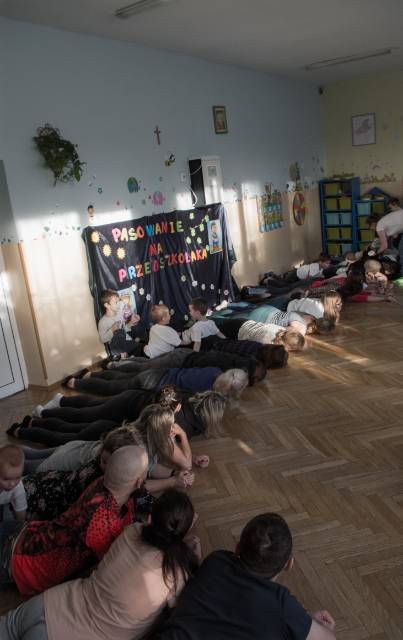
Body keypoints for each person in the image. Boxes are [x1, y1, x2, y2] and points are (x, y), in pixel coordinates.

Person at [0, 489, 200, 640]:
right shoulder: (177, 573)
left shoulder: (133, 531)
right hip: (75, 635)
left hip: (53, 603)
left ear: (150, 517)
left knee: (7, 627)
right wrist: (192, 558)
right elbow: (179, 610)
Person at [154, 512, 336, 640]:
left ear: (237, 548)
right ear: (289, 564)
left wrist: (301, 621)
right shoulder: (283, 605)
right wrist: (305, 622)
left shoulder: (217, 560)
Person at [0, 446, 148, 595]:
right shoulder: (103, 524)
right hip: (18, 563)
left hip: (26, 534)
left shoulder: (103, 483)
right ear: (139, 481)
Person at [9, 387, 229, 447]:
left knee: (87, 414)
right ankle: (44, 413)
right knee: (86, 413)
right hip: (128, 409)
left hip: (129, 412)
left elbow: (162, 391)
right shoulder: (187, 425)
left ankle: (39, 418)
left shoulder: (188, 399)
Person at [21, 426, 142, 520]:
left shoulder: (105, 470)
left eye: (108, 464)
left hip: (53, 484)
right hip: (50, 495)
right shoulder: (96, 477)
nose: (102, 465)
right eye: (103, 461)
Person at [128, 403, 210, 492]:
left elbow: (151, 467)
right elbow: (134, 488)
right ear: (160, 432)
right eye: (171, 427)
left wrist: (175, 474)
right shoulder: (137, 453)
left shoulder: (147, 436)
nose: (173, 430)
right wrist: (173, 482)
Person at [65, 365, 252, 401]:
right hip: (153, 385)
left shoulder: (215, 370)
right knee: (113, 388)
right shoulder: (208, 395)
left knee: (120, 377)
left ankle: (89, 375)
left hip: (159, 372)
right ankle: (75, 384)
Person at [97, 289, 143, 357]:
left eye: (119, 301)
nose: (118, 304)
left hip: (126, 342)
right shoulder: (103, 322)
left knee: (137, 326)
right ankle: (134, 351)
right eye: (116, 302)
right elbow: (102, 339)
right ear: (107, 305)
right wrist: (112, 330)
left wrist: (131, 322)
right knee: (119, 333)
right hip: (116, 347)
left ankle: (136, 349)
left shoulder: (119, 314)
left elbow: (124, 329)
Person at [0, 445, 26, 528]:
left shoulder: (18, 487)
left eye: (18, 477)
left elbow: (21, 513)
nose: (12, 484)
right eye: (6, 479)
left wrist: (19, 527)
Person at [376, 198, 403, 262]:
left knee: (401, 251)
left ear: (396, 205)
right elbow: (396, 233)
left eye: (391, 208)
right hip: (399, 236)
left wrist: (375, 254)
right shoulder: (398, 213)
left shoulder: (380, 224)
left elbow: (384, 246)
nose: (391, 210)